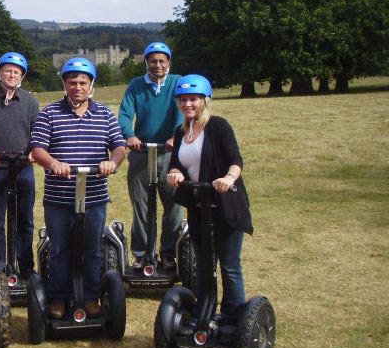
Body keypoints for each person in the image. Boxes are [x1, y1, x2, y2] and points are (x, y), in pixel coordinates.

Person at [30, 57, 126, 319]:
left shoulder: (105, 114)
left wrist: (112, 162)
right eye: (72, 82)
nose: (78, 87)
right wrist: (53, 162)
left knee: (91, 249)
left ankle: (90, 297)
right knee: (60, 249)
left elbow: (119, 146)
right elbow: (37, 149)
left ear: (91, 84)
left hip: (94, 196)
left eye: (83, 82)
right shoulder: (49, 113)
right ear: (64, 83)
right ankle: (58, 299)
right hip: (59, 198)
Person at [166, 74, 253, 322]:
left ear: (205, 100)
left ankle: (233, 318)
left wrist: (229, 178)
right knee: (203, 264)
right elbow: (176, 165)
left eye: (193, 99)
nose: (188, 104)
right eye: (183, 100)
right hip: (199, 208)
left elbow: (236, 160)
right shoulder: (181, 132)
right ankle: (204, 311)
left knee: (229, 265)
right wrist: (174, 174)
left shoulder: (218, 126)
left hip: (226, 207)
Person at [118, 41, 184, 270]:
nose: (157, 65)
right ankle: (142, 254)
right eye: (153, 61)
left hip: (170, 153)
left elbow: (182, 111)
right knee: (141, 207)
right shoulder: (136, 85)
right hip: (142, 151)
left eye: (162, 61)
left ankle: (168, 254)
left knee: (174, 206)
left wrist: (176, 136)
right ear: (146, 62)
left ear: (168, 63)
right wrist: (129, 135)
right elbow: (125, 114)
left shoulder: (177, 83)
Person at [0, 52, 39, 279]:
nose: (12, 75)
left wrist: (34, 151)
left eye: (16, 72)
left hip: (23, 167)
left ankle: (25, 266)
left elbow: (37, 132)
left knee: (25, 217)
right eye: (8, 70)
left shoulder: (30, 101)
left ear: (21, 76)